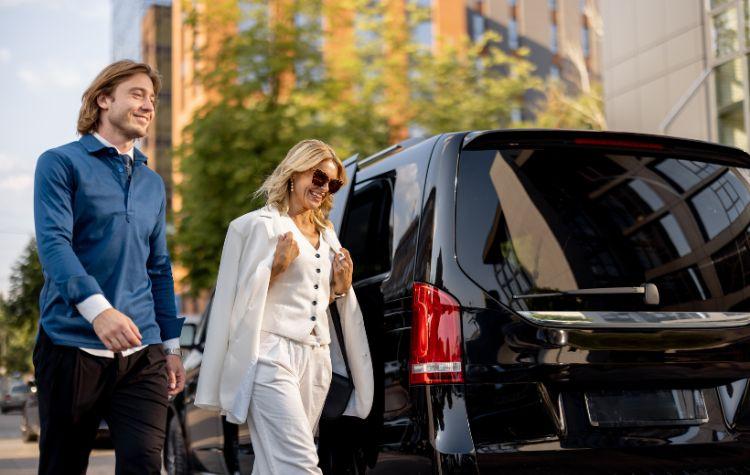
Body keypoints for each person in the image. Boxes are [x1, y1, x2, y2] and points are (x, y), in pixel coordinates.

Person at [32, 60, 185, 475]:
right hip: (70, 345)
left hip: (142, 353)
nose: (148, 105)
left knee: (143, 465)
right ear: (103, 99)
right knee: (63, 466)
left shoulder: (153, 183)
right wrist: (99, 310)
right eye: (137, 94)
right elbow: (54, 244)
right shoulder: (59, 164)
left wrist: (170, 347)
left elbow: (159, 267)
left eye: (152, 99)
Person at [195, 139, 374, 474]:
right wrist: (274, 268)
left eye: (332, 183)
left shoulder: (327, 232)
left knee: (273, 464)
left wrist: (341, 289)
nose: (324, 188)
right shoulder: (253, 227)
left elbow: (319, 298)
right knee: (301, 464)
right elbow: (230, 304)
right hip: (270, 356)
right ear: (294, 172)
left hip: (317, 357)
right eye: (318, 177)